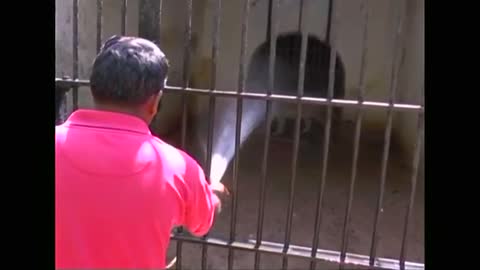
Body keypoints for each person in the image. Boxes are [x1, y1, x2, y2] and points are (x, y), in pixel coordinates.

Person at [55, 35, 227, 269]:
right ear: (154, 102)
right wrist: (213, 196)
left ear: (94, 88)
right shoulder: (178, 168)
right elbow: (201, 223)